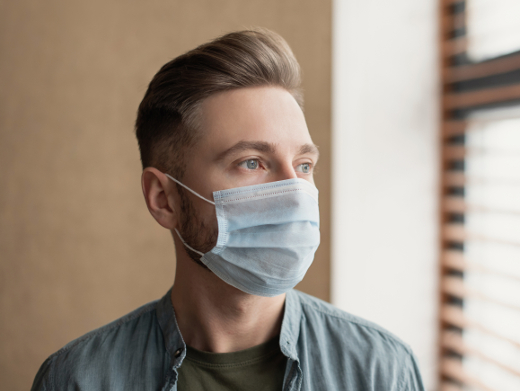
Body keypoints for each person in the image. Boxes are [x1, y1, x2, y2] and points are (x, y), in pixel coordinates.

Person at [31, 29, 425, 391]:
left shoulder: (381, 371)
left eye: (303, 165)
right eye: (252, 162)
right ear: (163, 198)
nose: (294, 192)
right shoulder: (78, 379)